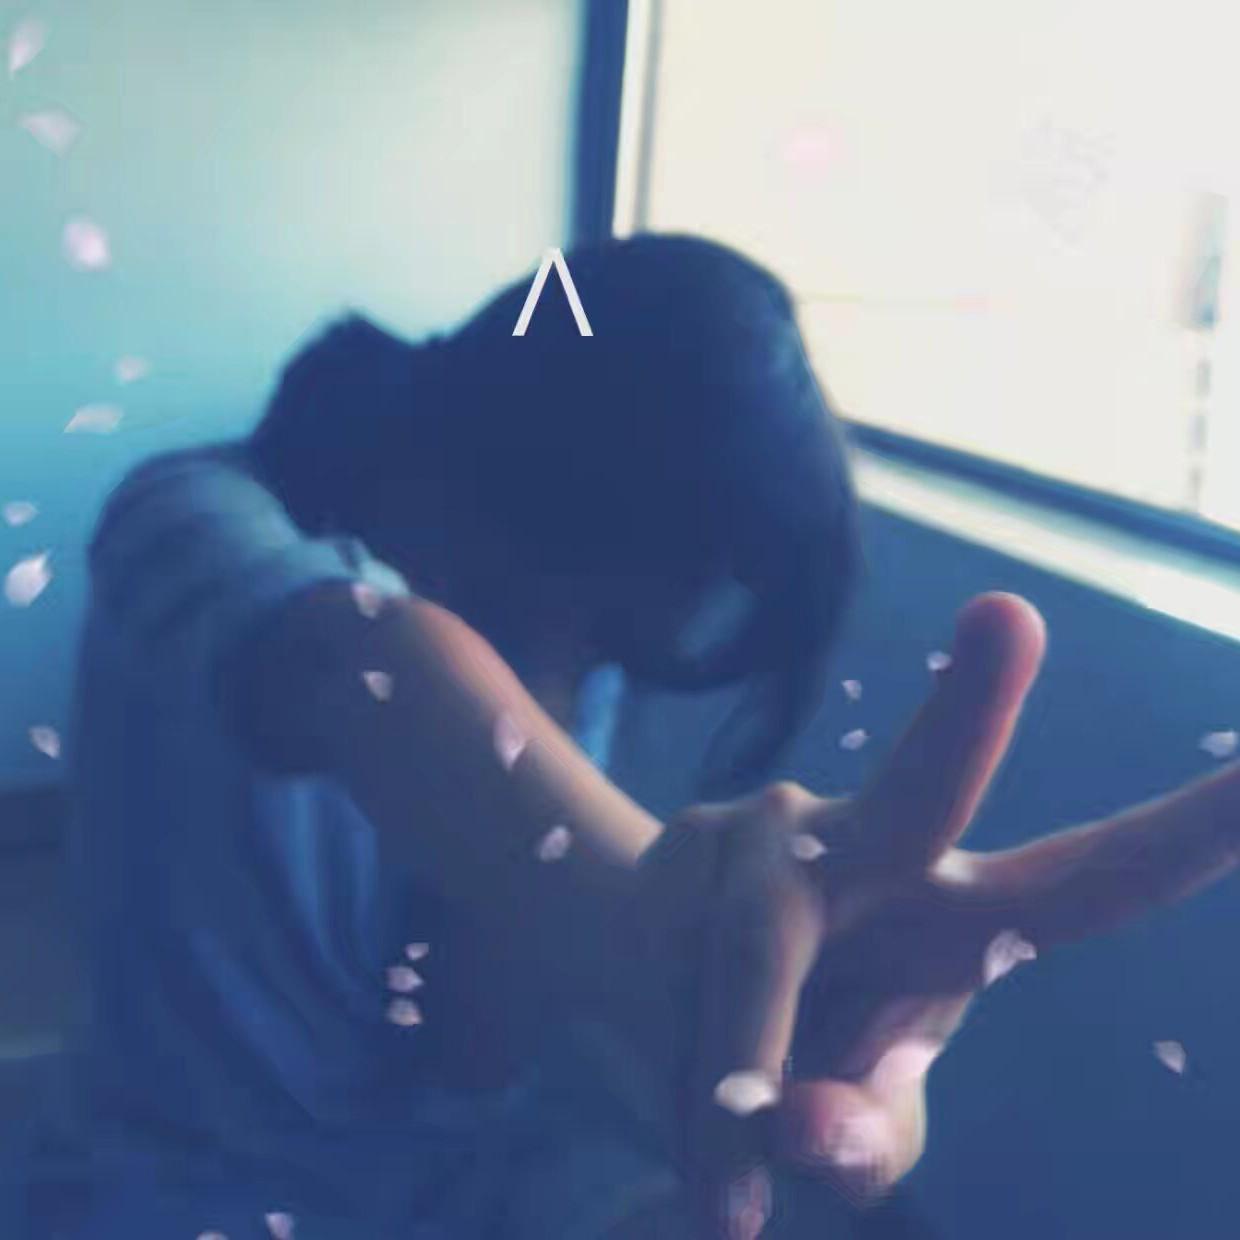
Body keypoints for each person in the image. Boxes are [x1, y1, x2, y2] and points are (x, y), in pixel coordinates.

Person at [52, 233, 1240, 1239]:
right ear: (509, 481)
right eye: (594, 614)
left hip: (442, 1183)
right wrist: (651, 900)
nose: (591, 662)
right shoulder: (187, 520)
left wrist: (700, 970)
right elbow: (352, 656)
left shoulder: (572, 655)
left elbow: (463, 1052)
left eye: (628, 637)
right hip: (173, 1183)